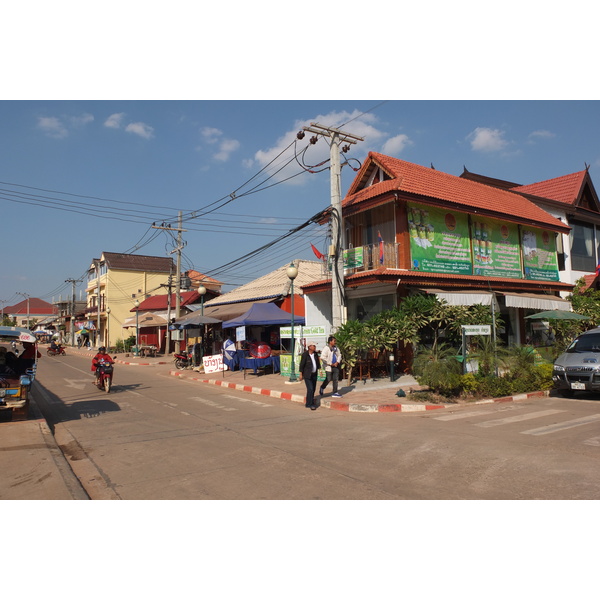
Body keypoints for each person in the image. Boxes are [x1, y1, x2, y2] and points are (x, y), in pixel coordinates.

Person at [299, 343, 321, 410]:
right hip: (307, 375)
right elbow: (302, 364)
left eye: (315, 346)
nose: (314, 347)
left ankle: (309, 402)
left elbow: (317, 363)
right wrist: (301, 374)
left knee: (313, 389)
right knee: (310, 389)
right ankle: (310, 404)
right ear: (309, 347)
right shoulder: (305, 355)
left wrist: (320, 371)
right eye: (313, 346)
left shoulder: (315, 354)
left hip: (314, 374)